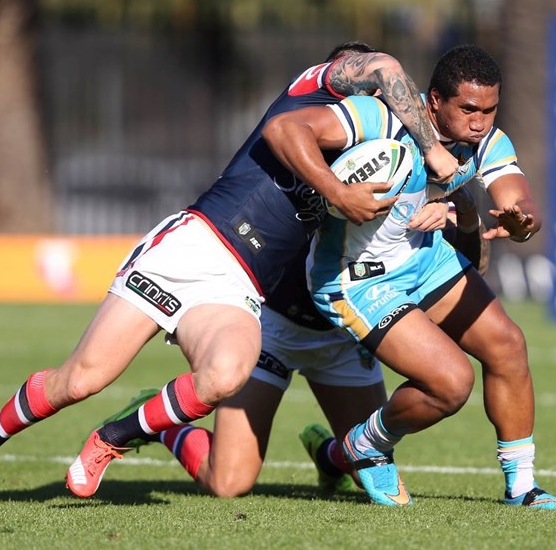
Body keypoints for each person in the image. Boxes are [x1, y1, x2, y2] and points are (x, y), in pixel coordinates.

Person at [0, 42, 460, 509]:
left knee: (227, 373)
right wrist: (419, 157)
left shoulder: (365, 150)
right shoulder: (308, 96)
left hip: (242, 288)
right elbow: (385, 67)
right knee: (82, 379)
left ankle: (114, 435)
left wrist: (453, 209)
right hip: (194, 245)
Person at [262, 44, 556, 509]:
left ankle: (522, 487)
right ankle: (362, 446)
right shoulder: (377, 117)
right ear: (432, 101)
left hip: (422, 261)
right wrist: (337, 192)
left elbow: (517, 197)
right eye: (468, 109)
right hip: (355, 278)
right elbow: (283, 127)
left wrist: (523, 219)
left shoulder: (485, 141)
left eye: (490, 109)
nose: (480, 121)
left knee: (508, 344)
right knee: (451, 384)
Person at [84, 187, 485, 498]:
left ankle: (329, 457)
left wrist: (465, 216)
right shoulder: (334, 172)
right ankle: (163, 428)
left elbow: (468, 266)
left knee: (365, 469)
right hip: (274, 329)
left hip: (342, 336)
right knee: (227, 482)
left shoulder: (414, 186)